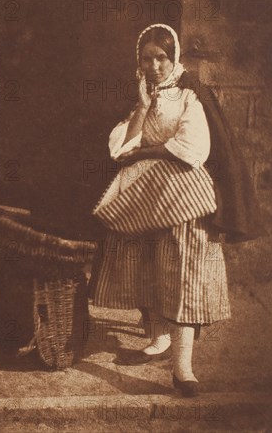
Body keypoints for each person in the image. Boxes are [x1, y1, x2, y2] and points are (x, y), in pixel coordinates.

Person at [91, 24, 259, 397]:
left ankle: (183, 368)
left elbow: (192, 146)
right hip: (144, 196)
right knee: (147, 267)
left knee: (183, 274)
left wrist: (149, 151)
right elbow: (120, 149)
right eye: (146, 58)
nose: (154, 66)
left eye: (161, 58)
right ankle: (158, 337)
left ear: (174, 57)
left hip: (183, 195)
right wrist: (145, 106)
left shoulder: (190, 95)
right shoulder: (141, 97)